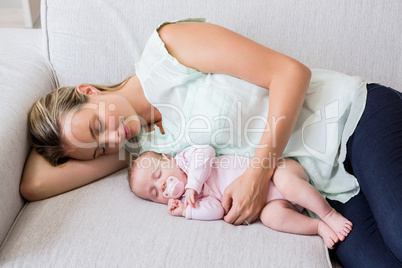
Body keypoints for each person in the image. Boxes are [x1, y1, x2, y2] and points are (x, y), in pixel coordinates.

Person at [21, 19, 401, 267]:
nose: (112, 138)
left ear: (87, 90)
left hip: (353, 118)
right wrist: (71, 139)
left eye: (95, 126)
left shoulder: (169, 50)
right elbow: (34, 184)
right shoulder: (142, 152)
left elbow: (290, 73)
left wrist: (257, 173)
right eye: (101, 148)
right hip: (322, 187)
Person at [128, 145, 352, 249]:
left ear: (168, 158)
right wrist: (188, 210)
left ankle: (328, 214)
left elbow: (207, 153)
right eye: (155, 193)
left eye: (158, 175)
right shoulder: (192, 202)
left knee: (288, 183)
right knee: (270, 217)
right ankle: (318, 227)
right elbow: (216, 210)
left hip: (275, 171)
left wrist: (193, 184)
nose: (162, 186)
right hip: (272, 202)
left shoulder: (186, 159)